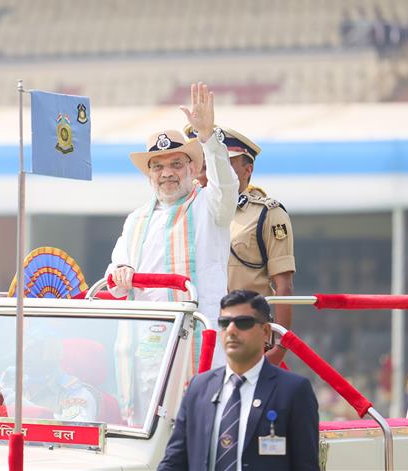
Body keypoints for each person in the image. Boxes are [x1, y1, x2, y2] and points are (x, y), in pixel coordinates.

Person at [106, 82, 238, 332]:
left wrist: (208, 137)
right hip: (146, 336)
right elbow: (116, 272)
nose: (167, 173)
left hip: (198, 333)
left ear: (192, 169)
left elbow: (227, 186)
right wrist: (121, 270)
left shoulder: (209, 204)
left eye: (176, 164)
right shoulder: (136, 219)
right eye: (158, 167)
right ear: (149, 176)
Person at [158, 290, 319, 471]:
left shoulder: (293, 391)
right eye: (224, 323)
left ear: (266, 332)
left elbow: (306, 466)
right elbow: (174, 462)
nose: (232, 330)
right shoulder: (199, 387)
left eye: (243, 322)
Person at [184, 126, 295, 335]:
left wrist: (281, 343)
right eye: (205, 164)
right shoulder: (189, 211)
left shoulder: (267, 213)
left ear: (248, 169)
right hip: (199, 328)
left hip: (245, 329)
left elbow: (284, 286)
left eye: (224, 164)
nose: (210, 172)